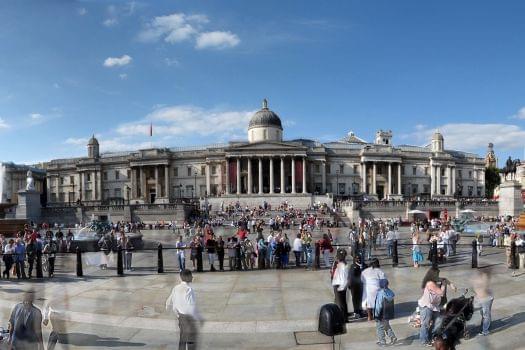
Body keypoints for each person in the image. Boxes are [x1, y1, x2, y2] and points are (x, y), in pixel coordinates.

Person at [418, 267, 456, 346]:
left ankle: (432, 336)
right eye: (437, 274)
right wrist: (444, 285)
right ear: (433, 275)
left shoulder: (434, 280)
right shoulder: (430, 283)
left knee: (438, 321)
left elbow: (444, 279)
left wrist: (451, 285)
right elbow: (441, 293)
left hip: (434, 306)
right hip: (426, 306)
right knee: (425, 324)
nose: (438, 276)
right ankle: (424, 340)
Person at [166, 269, 202, 350]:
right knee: (191, 339)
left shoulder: (176, 288)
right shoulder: (189, 289)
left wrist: (178, 315)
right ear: (187, 277)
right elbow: (191, 305)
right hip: (188, 317)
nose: (192, 277)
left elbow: (171, 302)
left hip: (180, 317)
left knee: (182, 339)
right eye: (191, 276)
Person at [374, 279, 397, 346]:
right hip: (388, 314)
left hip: (381, 314)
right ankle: (393, 337)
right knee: (386, 326)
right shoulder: (390, 292)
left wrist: (376, 315)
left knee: (379, 328)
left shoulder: (380, 293)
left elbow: (378, 305)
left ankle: (382, 342)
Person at [472, 270, 493, 336]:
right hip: (482, 299)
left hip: (486, 299)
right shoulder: (480, 279)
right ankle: (486, 324)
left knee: (486, 314)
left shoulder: (485, 280)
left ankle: (485, 331)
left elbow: (483, 290)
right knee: (483, 313)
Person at [331, 249, 349, 321]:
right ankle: (343, 316)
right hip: (339, 284)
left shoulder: (341, 265)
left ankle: (343, 318)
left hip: (339, 285)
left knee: (340, 302)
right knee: (342, 301)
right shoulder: (342, 264)